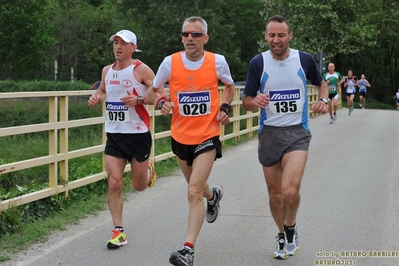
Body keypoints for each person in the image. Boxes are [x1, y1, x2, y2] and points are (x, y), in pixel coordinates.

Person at [148, 16, 235, 266]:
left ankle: (187, 250)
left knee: (193, 191)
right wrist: (162, 102)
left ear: (205, 38)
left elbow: (229, 86)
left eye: (195, 35)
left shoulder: (217, 62)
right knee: (198, 189)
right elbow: (154, 89)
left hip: (208, 134)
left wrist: (226, 107)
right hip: (180, 136)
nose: (189, 39)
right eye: (186, 34)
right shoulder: (170, 62)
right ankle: (214, 196)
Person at [242, 15, 328, 260]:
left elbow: (321, 84)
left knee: (289, 191)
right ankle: (281, 233)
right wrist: (254, 101)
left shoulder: (304, 59)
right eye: (271, 35)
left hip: (297, 133)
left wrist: (323, 100)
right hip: (268, 134)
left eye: (281, 35)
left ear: (290, 36)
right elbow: (246, 100)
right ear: (265, 36)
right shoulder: (258, 63)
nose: (276, 40)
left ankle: (291, 227)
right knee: (274, 194)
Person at [87, 30, 159, 249]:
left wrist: (139, 99)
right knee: (114, 182)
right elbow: (102, 91)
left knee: (139, 186)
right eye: (115, 43)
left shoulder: (141, 70)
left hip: (138, 135)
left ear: (133, 48)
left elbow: (160, 94)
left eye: (123, 43)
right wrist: (96, 97)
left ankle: (147, 168)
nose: (118, 47)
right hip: (115, 135)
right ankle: (118, 231)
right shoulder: (107, 71)